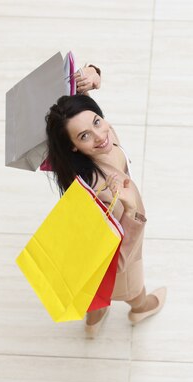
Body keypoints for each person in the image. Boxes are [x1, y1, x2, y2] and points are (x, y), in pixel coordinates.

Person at [45, 65, 167, 338]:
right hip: (120, 255)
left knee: (95, 297)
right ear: (73, 146)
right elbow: (119, 255)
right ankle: (140, 309)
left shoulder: (88, 151)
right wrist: (131, 206)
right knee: (131, 287)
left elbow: (76, 115)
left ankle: (93, 321)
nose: (100, 136)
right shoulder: (101, 191)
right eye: (85, 136)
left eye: (97, 121)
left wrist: (92, 74)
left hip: (94, 262)